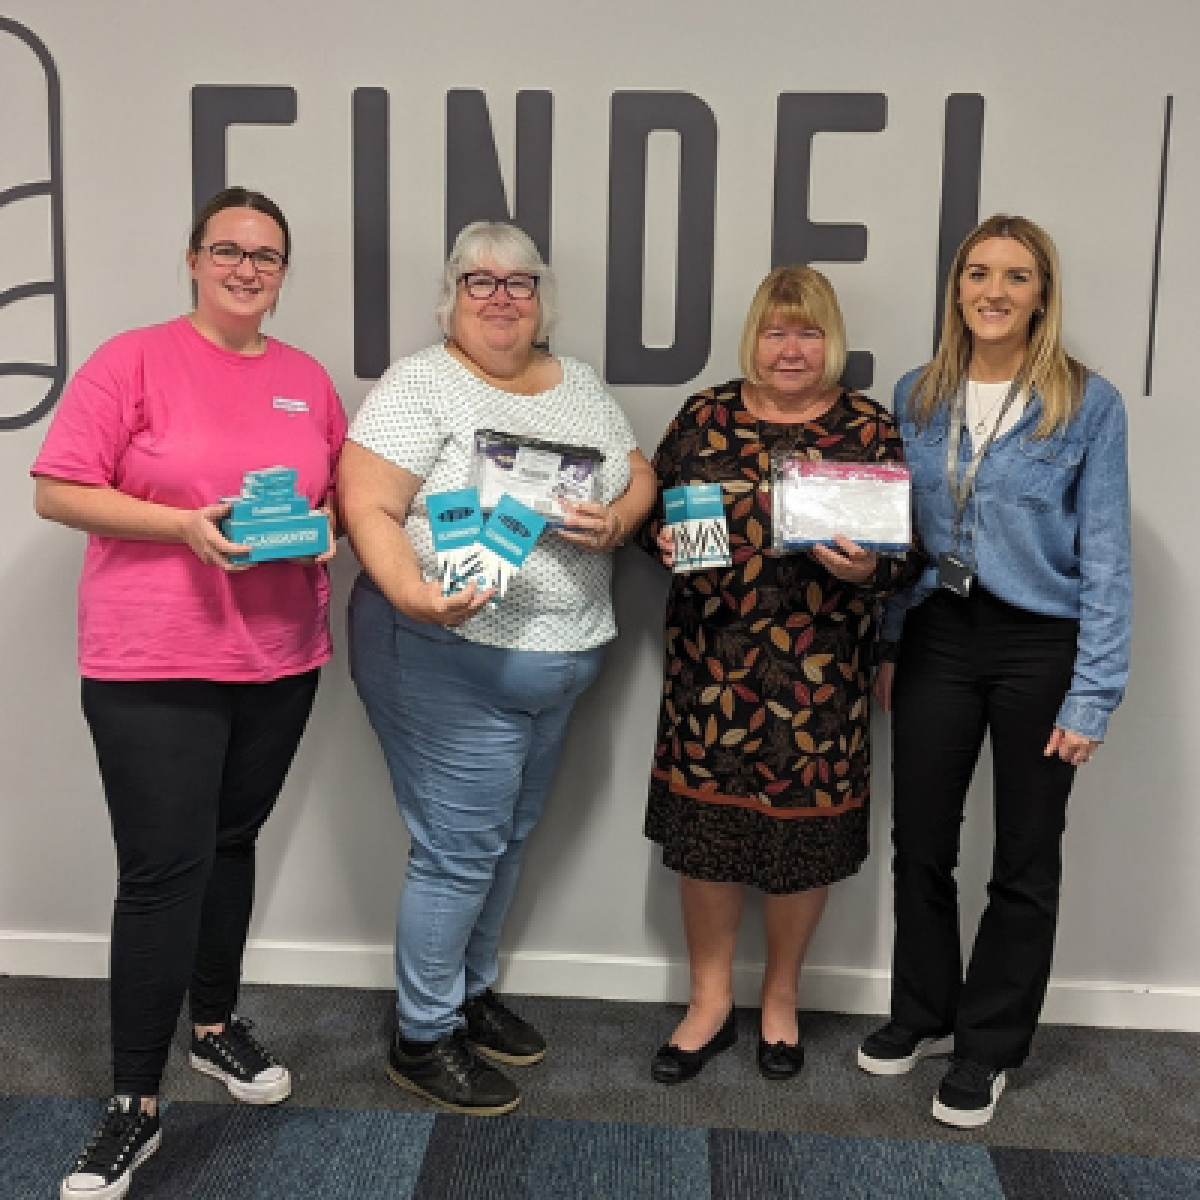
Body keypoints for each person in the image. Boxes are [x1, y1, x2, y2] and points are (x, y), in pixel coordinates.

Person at [32, 186, 347, 1200]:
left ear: (284, 272)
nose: (247, 268)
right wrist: (180, 525)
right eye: (228, 250)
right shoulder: (132, 359)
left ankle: (214, 1028)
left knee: (230, 844)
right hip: (154, 657)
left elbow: (335, 488)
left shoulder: (305, 378)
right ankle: (134, 1104)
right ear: (193, 259)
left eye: (266, 255)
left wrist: (336, 522)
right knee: (163, 871)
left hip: (280, 654)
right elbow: (56, 486)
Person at [340, 221, 656, 1116]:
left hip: (559, 664)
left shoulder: (581, 385)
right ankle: (422, 1035)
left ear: (541, 298)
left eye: (518, 282)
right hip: (447, 654)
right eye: (478, 281)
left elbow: (637, 474)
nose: (500, 296)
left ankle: (468, 994)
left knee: (504, 843)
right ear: (452, 296)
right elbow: (367, 503)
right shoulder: (420, 384)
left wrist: (622, 519)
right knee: (458, 852)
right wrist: (413, 594)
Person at [856, 214, 1132, 1129]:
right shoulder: (919, 392)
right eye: (979, 274)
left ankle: (989, 1047)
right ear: (958, 288)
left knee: (1023, 855)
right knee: (921, 841)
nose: (995, 292)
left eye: (1017, 277)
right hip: (940, 631)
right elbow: (902, 537)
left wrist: (1092, 693)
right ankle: (924, 1012)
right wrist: (891, 641)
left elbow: (1107, 558)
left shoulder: (1086, 403)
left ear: (1042, 295)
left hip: (1038, 646)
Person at [639, 265, 916, 1085]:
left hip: (820, 677)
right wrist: (654, 537)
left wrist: (871, 571)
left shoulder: (869, 428)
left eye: (808, 331)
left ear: (831, 342)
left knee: (802, 842)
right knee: (708, 844)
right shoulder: (704, 414)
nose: (791, 348)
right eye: (775, 330)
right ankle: (710, 1002)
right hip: (710, 669)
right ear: (754, 338)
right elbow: (649, 509)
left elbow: (910, 558)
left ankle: (783, 999)